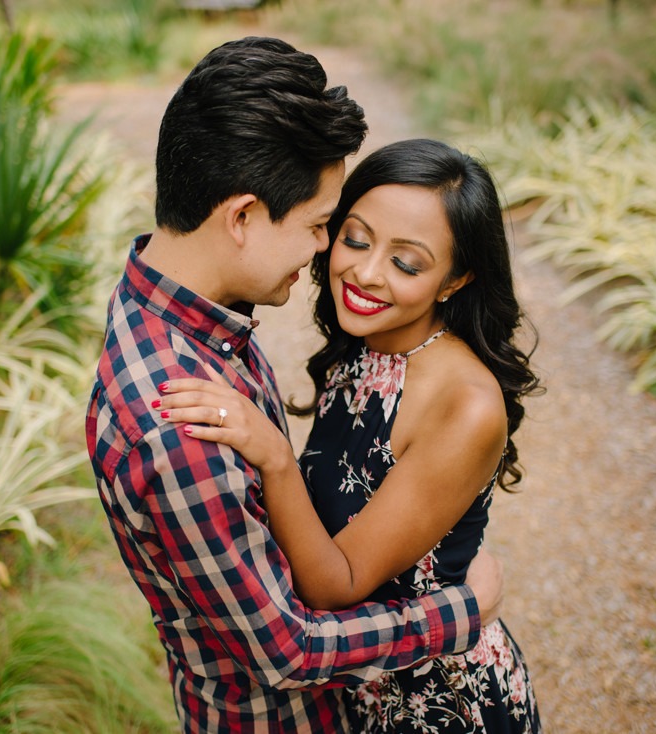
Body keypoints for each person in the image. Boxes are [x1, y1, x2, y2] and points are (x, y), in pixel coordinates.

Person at [85, 39, 505, 733]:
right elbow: (287, 650)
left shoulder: (191, 318)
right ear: (243, 217)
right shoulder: (178, 423)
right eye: (324, 227)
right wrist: (462, 610)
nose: (326, 253)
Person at [157, 138, 543, 732]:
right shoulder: (363, 348)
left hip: (438, 702)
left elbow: (337, 584)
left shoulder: (464, 405)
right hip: (356, 684)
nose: (365, 272)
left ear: (453, 280)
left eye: (406, 263)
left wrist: (273, 456)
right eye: (356, 239)